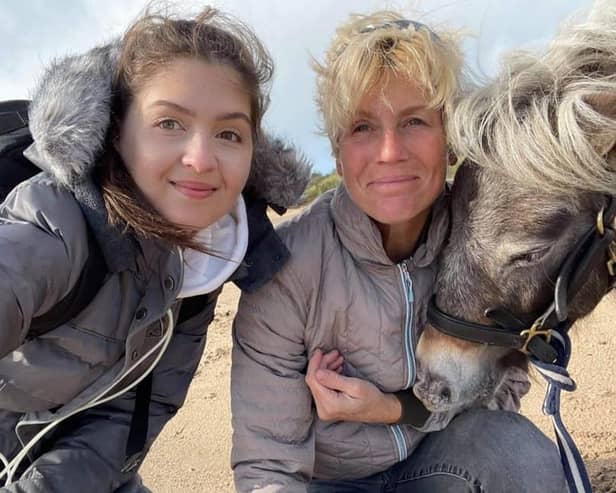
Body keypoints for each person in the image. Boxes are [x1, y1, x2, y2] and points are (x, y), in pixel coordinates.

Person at [231, 10, 567, 493]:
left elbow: (506, 384)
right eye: (363, 127)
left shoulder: (480, 238)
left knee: (520, 455)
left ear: (450, 139)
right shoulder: (287, 265)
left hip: (437, 462)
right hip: (327, 481)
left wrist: (394, 410)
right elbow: (267, 464)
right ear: (337, 150)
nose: (390, 151)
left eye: (414, 120)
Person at [0, 6, 309, 493]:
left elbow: (135, 413)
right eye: (170, 123)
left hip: (57, 459)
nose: (202, 159)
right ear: (117, 133)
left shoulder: (210, 261)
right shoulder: (53, 227)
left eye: (229, 133)